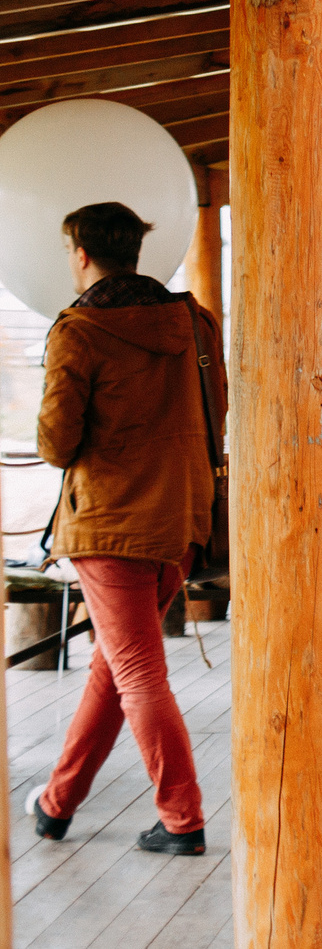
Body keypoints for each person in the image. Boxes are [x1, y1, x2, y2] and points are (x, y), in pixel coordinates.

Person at [26, 202, 225, 857]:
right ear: (135, 251)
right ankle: (56, 804)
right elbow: (217, 408)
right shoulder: (195, 321)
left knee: (134, 671)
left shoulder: (79, 330)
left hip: (111, 525)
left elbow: (56, 444)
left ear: (81, 253)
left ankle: (182, 818)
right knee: (112, 670)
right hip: (182, 518)